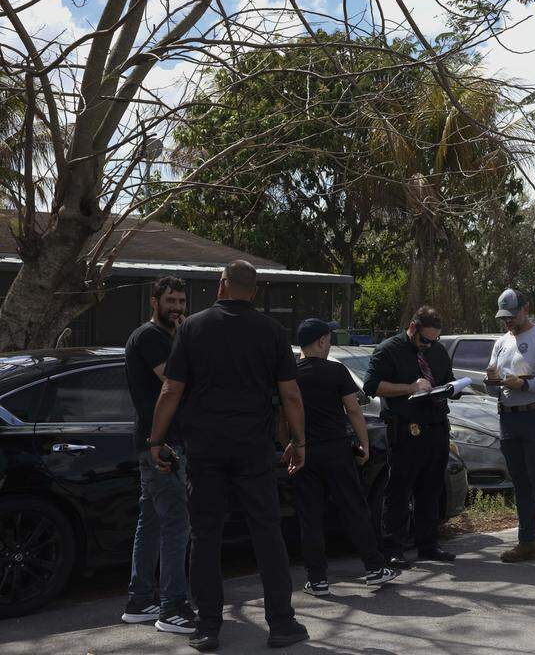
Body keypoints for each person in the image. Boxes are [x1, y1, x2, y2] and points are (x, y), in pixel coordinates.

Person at [147, 260, 309, 652]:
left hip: (206, 450)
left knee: (205, 537)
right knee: (267, 533)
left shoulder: (191, 327)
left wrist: (155, 440)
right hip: (253, 449)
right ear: (253, 291)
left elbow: (171, 391)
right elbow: (290, 394)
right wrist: (299, 442)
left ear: (221, 286)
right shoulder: (272, 331)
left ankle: (208, 628)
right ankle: (282, 624)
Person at [292, 318, 399, 596]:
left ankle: (317, 580)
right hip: (336, 449)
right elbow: (353, 410)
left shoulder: (290, 374)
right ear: (321, 341)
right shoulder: (336, 371)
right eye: (328, 340)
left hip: (305, 451)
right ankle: (374, 567)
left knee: (310, 517)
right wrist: (364, 445)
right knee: (354, 508)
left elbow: (283, 415)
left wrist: (291, 444)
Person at [122, 276, 198, 635]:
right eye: (171, 301)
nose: (178, 308)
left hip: (162, 441)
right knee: (176, 523)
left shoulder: (169, 337)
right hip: (161, 443)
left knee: (151, 521)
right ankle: (172, 608)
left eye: (182, 302)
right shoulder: (149, 337)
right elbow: (174, 379)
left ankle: (140, 600)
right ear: (154, 302)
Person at [363, 306, 458, 567]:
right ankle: (392, 547)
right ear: (413, 328)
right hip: (406, 428)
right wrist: (410, 388)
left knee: (431, 488)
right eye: (425, 340)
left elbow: (446, 378)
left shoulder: (436, 351)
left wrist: (452, 389)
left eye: (434, 340)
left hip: (437, 426)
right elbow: (371, 386)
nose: (429, 345)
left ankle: (428, 544)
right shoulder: (388, 350)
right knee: (399, 490)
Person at [487, 288, 535, 569]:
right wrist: (492, 379)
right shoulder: (501, 342)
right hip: (509, 418)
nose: (508, 321)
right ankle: (527, 542)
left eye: (512, 315)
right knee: (519, 482)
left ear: (526, 309)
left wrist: (526, 384)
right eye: (504, 317)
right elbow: (493, 375)